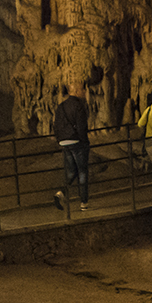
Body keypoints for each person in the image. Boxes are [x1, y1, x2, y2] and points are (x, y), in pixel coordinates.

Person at [52, 83, 90, 211]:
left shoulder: (61, 106)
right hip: (76, 141)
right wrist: (85, 142)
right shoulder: (78, 106)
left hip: (64, 142)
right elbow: (81, 127)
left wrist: (59, 140)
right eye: (83, 89)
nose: (85, 91)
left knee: (72, 171)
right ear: (77, 91)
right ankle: (84, 202)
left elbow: (56, 125)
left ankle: (60, 193)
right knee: (82, 171)